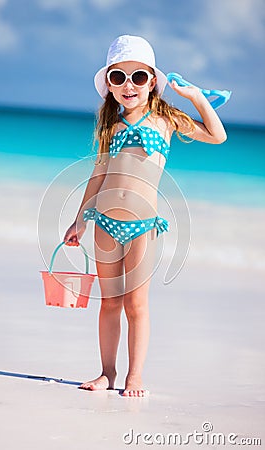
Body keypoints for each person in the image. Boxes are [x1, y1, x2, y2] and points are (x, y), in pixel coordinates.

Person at [63, 35, 227, 397]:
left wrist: (196, 97)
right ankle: (107, 372)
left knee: (136, 304)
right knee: (109, 303)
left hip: (141, 226)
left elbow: (217, 136)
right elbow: (98, 174)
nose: (128, 86)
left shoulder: (165, 120)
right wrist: (80, 219)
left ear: (152, 82)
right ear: (109, 85)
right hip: (104, 222)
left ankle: (134, 376)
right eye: (118, 78)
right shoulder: (110, 125)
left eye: (138, 77)